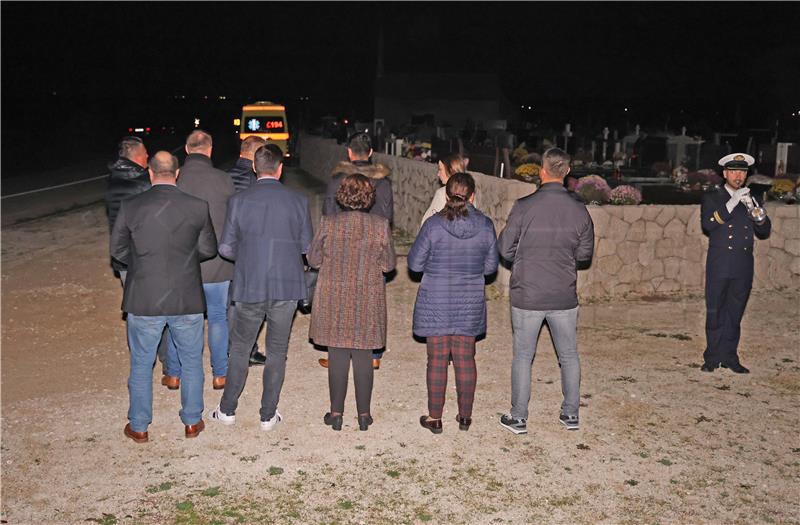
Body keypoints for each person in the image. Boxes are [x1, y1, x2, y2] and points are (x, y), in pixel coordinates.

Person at [110, 151, 217, 443]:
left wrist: (144, 263)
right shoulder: (197, 206)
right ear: (177, 172)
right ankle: (192, 421)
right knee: (192, 361)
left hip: (145, 296)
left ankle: (140, 425)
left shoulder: (131, 206)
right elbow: (208, 249)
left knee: (142, 364)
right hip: (186, 296)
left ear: (150, 171)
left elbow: (117, 250)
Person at [208, 144, 313, 431]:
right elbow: (308, 247)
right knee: (277, 351)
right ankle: (268, 415)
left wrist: (249, 255)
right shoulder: (298, 201)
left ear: (255, 168)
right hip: (287, 285)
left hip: (249, 284)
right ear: (280, 169)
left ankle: (227, 410)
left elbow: (226, 247)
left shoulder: (239, 200)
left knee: (240, 349)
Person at [496, 147, 594, 434]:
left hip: (528, 293)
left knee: (523, 356)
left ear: (542, 170)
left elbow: (504, 248)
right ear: (566, 172)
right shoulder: (579, 209)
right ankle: (571, 414)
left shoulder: (524, 206)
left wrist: (525, 260)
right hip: (563, 293)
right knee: (569, 355)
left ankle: (519, 417)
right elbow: (585, 254)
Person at [408, 173, 498, 434]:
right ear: (472, 196)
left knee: (436, 360)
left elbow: (414, 264)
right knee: (466, 359)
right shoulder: (485, 225)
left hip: (436, 300)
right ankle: (465, 417)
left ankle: (435, 418)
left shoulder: (433, 226)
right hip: (469, 301)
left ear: (446, 195)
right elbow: (491, 267)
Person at [307, 174, 396, 431]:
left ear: (342, 196)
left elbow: (313, 259)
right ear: (369, 197)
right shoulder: (380, 224)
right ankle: (364, 415)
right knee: (363, 354)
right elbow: (388, 264)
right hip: (367, 295)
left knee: (336, 353)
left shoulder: (329, 222)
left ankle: (336, 414)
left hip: (334, 294)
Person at [158, 130, 234, 391]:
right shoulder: (224, 180)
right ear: (210, 150)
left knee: (178, 319)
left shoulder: (172, 182)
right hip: (218, 264)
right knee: (217, 317)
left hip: (182, 266)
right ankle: (220, 374)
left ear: (187, 150)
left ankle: (175, 374)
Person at [319, 132, 394, 369]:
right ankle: (372, 355)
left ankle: (337, 352)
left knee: (339, 300)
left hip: (342, 249)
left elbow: (328, 213)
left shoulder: (337, 180)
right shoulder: (382, 182)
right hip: (373, 247)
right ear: (370, 153)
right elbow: (387, 216)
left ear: (349, 153)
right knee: (371, 300)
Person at [105, 136, 171, 378]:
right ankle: (167, 361)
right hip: (145, 256)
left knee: (134, 309)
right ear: (134, 156)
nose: (147, 157)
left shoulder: (114, 179)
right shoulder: (142, 183)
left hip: (123, 257)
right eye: (144, 154)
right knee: (160, 308)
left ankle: (141, 359)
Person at [700, 153, 771, 374]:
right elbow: (709, 225)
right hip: (720, 263)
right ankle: (712, 357)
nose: (738, 176)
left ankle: (730, 356)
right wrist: (732, 202)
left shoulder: (752, 197)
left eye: (742, 172)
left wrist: (756, 213)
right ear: (725, 174)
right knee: (715, 310)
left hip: (742, 264)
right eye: (733, 171)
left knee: (735, 312)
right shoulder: (713, 196)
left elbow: (764, 230)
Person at [227, 135, 269, 366]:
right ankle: (246, 350)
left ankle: (232, 348)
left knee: (230, 303)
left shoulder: (225, 177)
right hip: (251, 250)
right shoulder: (258, 181)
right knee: (249, 304)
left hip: (228, 248)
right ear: (255, 155)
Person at [419, 153, 469, 226]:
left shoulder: (442, 193)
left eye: (440, 169)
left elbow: (426, 222)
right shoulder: (469, 192)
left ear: (451, 171)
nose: (438, 174)